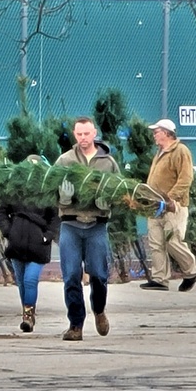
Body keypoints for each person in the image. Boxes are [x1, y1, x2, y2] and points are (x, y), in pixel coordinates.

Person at [55, 117, 120, 342]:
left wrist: (107, 202)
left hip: (96, 225)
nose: (83, 138)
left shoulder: (108, 163)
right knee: (71, 276)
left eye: (87, 134)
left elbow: (119, 190)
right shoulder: (65, 161)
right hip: (71, 225)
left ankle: (99, 310)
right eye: (79, 134)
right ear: (75, 135)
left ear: (95, 134)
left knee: (99, 275)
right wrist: (63, 199)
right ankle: (75, 325)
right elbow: (50, 189)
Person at [0, 155, 60, 333]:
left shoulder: (46, 191)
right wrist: (9, 231)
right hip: (17, 243)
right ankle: (28, 313)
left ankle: (28, 315)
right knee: (22, 282)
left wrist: (47, 236)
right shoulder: (13, 189)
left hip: (38, 245)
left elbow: (55, 217)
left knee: (30, 279)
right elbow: (1, 211)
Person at [139, 118, 196, 292]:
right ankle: (160, 279)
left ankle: (191, 271)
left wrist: (170, 199)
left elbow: (186, 178)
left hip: (173, 206)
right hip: (154, 205)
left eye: (156, 132)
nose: (154, 135)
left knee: (172, 240)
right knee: (156, 243)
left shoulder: (180, 151)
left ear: (166, 133)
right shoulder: (159, 153)